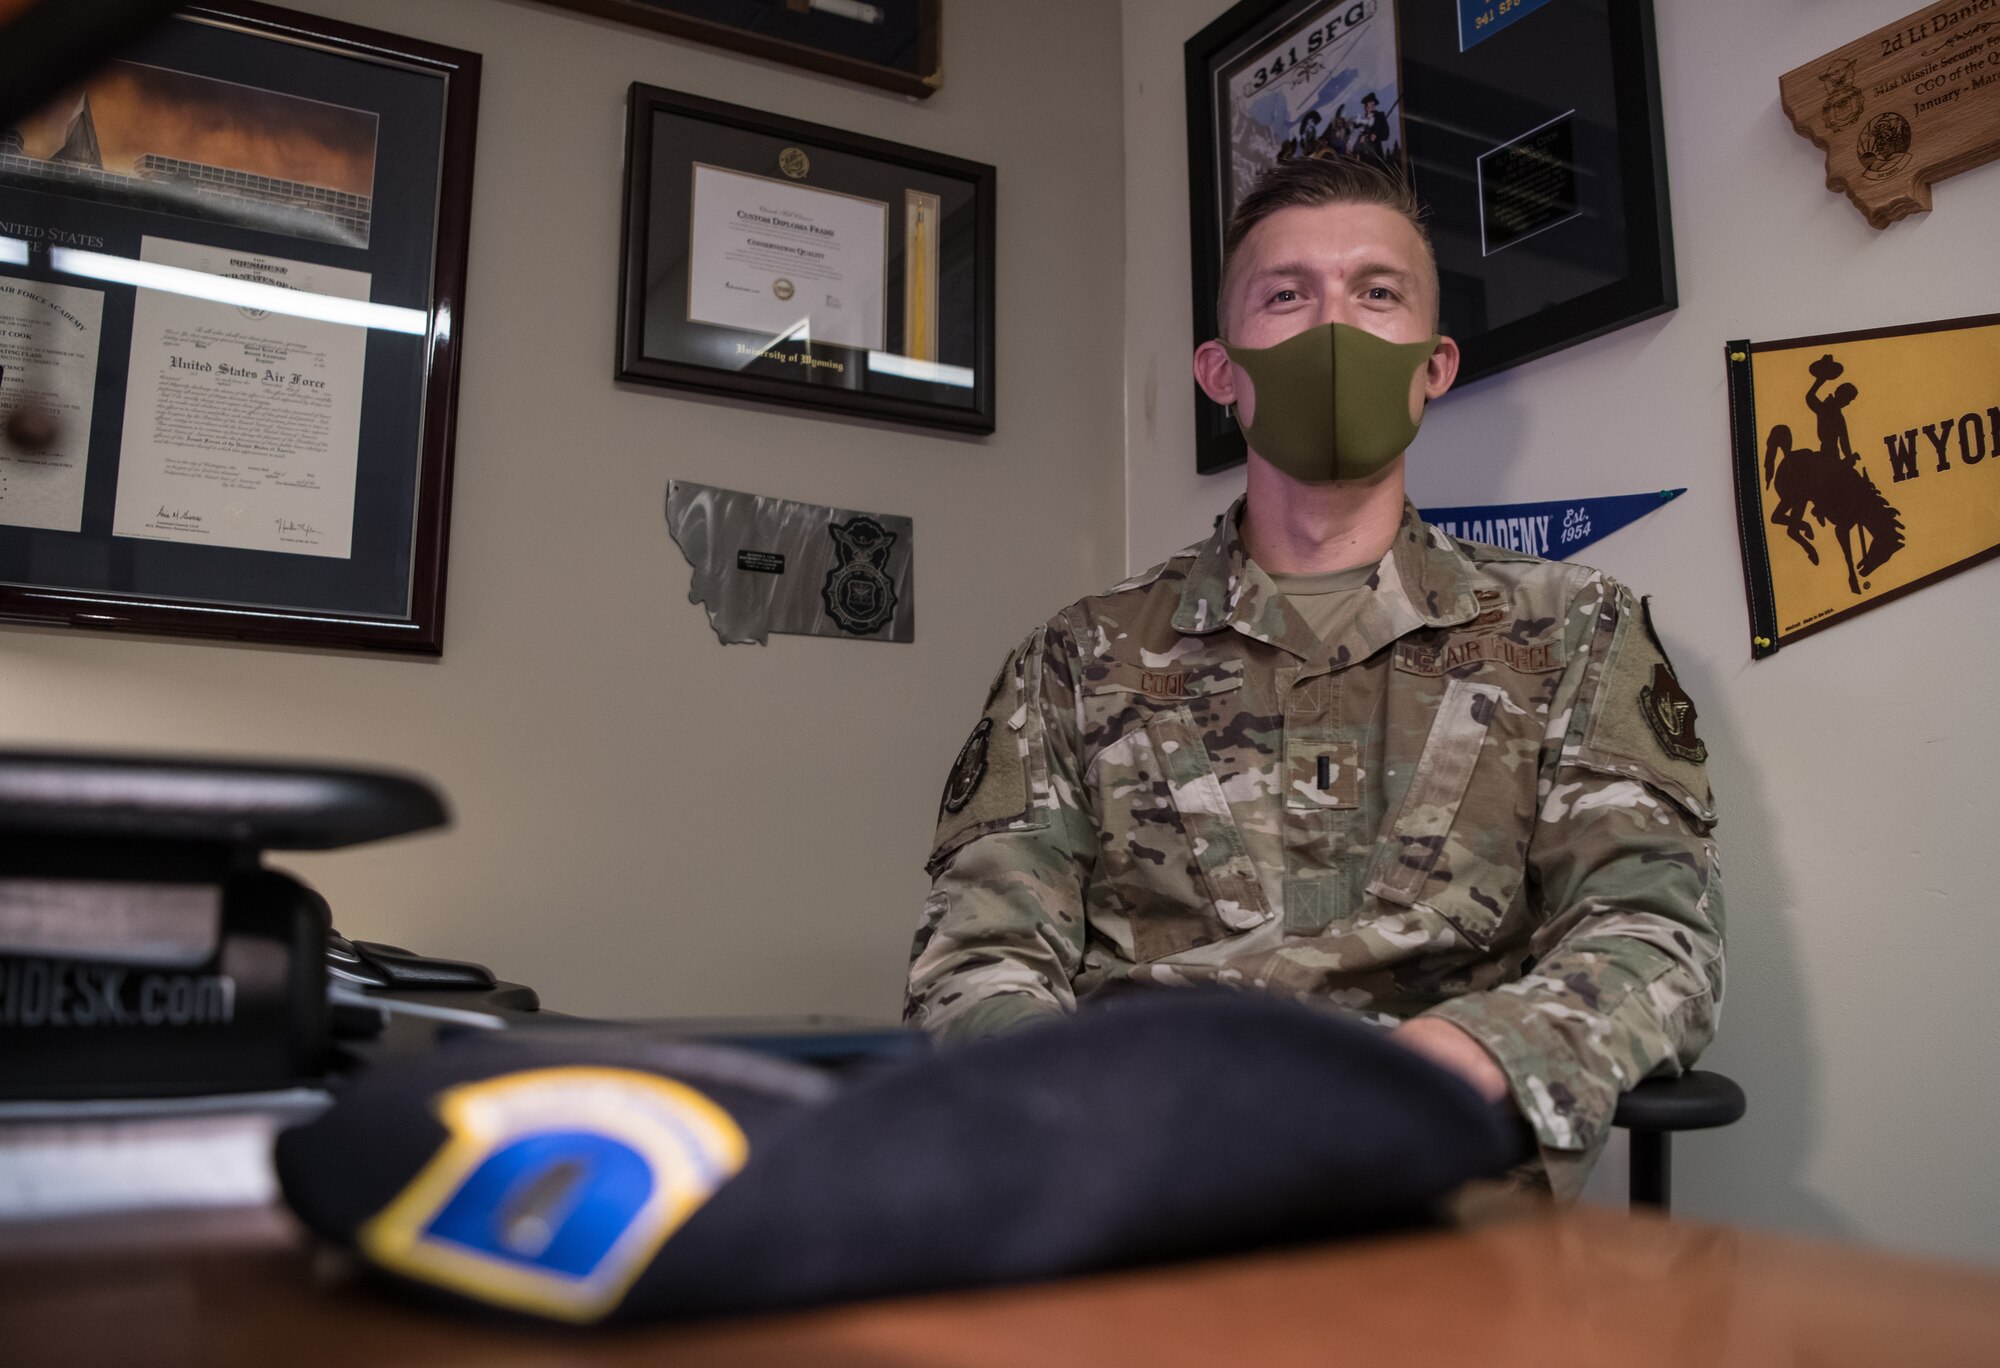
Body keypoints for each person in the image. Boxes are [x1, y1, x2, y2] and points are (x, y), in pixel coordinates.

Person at [905, 155, 1723, 1197]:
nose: (1332, 331)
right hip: (1134, 1191)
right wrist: (1082, 1112)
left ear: (1433, 365)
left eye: (1376, 294)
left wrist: (1471, 1056)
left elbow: (1653, 931)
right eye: (1285, 296)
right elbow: (977, 955)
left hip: (1444, 1197)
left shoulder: (1572, 632)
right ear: (1220, 370)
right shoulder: (1077, 656)